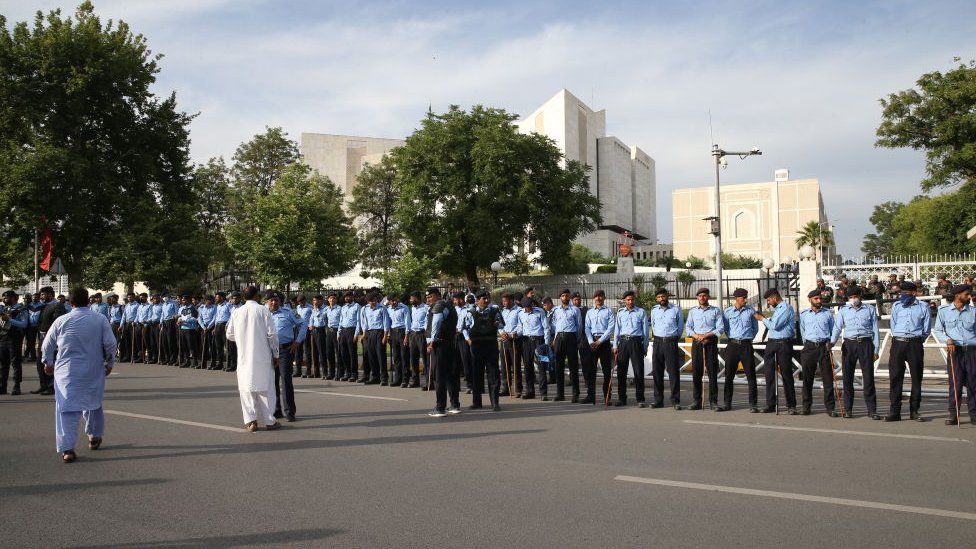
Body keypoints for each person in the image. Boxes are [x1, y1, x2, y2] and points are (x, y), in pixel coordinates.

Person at [41, 287, 117, 463]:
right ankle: (94, 436)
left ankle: (67, 449)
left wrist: (48, 363)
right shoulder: (100, 319)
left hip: (66, 372)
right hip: (93, 369)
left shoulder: (62, 320)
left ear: (70, 302)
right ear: (88, 300)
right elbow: (111, 344)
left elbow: (47, 345)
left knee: (66, 409)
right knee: (93, 402)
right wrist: (109, 363)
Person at [226, 286, 280, 432]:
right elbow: (272, 335)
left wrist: (243, 338)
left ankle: (251, 421)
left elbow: (229, 334)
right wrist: (276, 354)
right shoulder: (263, 310)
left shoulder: (237, 312)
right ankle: (270, 421)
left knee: (246, 389)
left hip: (244, 358)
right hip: (262, 356)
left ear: (244, 297)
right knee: (266, 389)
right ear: (257, 295)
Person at [830, 287, 881, 419]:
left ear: (860, 297)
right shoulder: (843, 310)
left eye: (855, 296)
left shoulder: (869, 309)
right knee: (847, 378)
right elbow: (837, 327)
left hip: (865, 343)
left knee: (868, 377)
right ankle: (848, 409)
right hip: (849, 344)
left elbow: (875, 330)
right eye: (851, 297)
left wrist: (876, 349)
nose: (853, 299)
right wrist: (831, 342)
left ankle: (872, 410)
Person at [885, 281, 930, 422]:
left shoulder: (923, 307)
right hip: (898, 343)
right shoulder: (897, 306)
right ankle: (895, 411)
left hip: (915, 344)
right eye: (901, 292)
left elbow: (926, 329)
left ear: (914, 293)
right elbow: (893, 325)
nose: (903, 295)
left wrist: (916, 340)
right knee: (895, 377)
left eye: (906, 292)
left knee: (916, 377)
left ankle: (914, 410)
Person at [933, 284, 976, 425]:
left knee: (973, 383)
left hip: (971, 351)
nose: (969, 297)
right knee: (955, 383)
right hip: (955, 351)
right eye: (966, 294)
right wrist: (947, 340)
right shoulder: (944, 311)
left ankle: (974, 414)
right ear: (958, 295)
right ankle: (953, 414)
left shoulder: (973, 311)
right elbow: (939, 330)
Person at [755, 288, 797, 414]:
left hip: (783, 343)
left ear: (774, 298)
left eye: (769, 300)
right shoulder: (777, 310)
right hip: (772, 342)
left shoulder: (786, 308)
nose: (768, 302)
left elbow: (774, 326)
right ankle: (771, 403)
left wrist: (762, 318)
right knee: (769, 374)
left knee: (786, 374)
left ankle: (791, 405)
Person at [267, 291, 305, 422]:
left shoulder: (289, 312)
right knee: (272, 381)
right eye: (271, 300)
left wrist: (297, 341)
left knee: (286, 381)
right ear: (267, 301)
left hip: (285, 350)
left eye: (276, 300)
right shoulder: (263, 313)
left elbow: (303, 324)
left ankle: (289, 411)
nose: (274, 302)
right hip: (269, 351)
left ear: (280, 301)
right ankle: (276, 410)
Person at [798, 289, 837, 416]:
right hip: (809, 347)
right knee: (807, 379)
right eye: (816, 299)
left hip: (824, 347)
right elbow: (802, 330)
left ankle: (830, 407)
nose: (819, 301)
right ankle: (806, 406)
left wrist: (830, 343)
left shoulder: (828, 314)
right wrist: (807, 343)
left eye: (820, 298)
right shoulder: (804, 314)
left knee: (828, 379)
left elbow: (833, 330)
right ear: (810, 300)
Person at [685, 288, 724, 410]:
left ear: (708, 297)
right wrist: (697, 336)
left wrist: (707, 335)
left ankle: (713, 401)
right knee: (697, 372)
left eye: (704, 296)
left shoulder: (715, 311)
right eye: (700, 296)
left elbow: (720, 328)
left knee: (712, 372)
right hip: (697, 342)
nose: (702, 298)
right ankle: (697, 400)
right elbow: (688, 328)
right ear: (697, 297)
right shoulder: (692, 312)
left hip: (710, 342)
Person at [721, 288, 759, 412]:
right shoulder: (727, 312)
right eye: (743, 298)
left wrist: (747, 339)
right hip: (733, 345)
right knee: (729, 376)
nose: (745, 300)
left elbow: (755, 328)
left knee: (751, 376)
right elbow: (725, 328)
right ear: (736, 299)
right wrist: (734, 339)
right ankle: (727, 403)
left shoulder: (750, 311)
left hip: (746, 345)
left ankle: (753, 404)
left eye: (746, 297)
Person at [466, 290, 503, 410]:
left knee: (493, 374)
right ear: (477, 300)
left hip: (491, 345)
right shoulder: (470, 312)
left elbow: (500, 326)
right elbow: (464, 328)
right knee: (476, 374)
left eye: (487, 298)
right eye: (483, 298)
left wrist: (502, 333)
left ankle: (495, 402)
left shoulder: (495, 311)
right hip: (476, 346)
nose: (487, 300)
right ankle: (477, 402)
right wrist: (468, 339)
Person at [426, 288, 460, 417]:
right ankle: (455, 405)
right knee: (451, 375)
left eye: (430, 296)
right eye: (427, 297)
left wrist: (431, 342)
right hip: (450, 343)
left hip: (440, 344)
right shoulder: (449, 306)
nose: (428, 299)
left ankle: (440, 407)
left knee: (439, 376)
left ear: (438, 296)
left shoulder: (439, 306)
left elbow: (436, 323)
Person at [612, 290, 649, 407]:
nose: (630, 301)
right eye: (628, 300)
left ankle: (640, 399)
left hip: (636, 342)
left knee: (638, 371)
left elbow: (645, 332)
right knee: (621, 372)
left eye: (632, 299)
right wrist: (615, 345)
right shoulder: (620, 312)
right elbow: (617, 329)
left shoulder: (641, 312)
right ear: (624, 301)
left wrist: (645, 346)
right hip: (623, 342)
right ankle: (622, 398)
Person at [550, 289, 584, 402]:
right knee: (558, 367)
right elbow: (554, 325)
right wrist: (555, 338)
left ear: (569, 297)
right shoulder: (556, 310)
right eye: (563, 296)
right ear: (560, 297)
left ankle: (575, 394)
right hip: (559, 338)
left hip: (571, 338)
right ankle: (560, 394)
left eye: (567, 295)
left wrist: (575, 338)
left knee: (573, 367)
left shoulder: (575, 310)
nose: (565, 297)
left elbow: (579, 326)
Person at [515, 296, 550, 400]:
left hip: (539, 342)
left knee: (542, 366)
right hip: (526, 342)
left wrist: (546, 344)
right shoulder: (520, 313)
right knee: (527, 366)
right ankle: (530, 391)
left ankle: (544, 393)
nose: (527, 309)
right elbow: (520, 327)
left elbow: (546, 327)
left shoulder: (540, 312)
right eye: (525, 307)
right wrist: (516, 333)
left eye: (529, 307)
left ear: (532, 305)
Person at [586, 289, 615, 406]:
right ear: (593, 298)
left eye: (600, 296)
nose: (598, 298)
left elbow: (611, 328)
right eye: (596, 296)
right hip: (592, 342)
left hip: (604, 343)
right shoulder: (589, 312)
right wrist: (590, 341)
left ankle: (607, 396)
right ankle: (591, 396)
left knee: (607, 371)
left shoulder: (609, 311)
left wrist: (600, 341)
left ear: (604, 297)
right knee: (591, 371)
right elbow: (587, 327)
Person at [33, 287, 64, 395]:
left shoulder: (57, 305)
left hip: (52, 338)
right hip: (41, 337)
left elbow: (57, 322)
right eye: (41, 295)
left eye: (43, 295)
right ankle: (43, 385)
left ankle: (51, 387)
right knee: (39, 362)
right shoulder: (42, 306)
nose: (41, 297)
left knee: (50, 361)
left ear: (50, 295)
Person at [356, 292, 390, 385]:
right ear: (367, 301)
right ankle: (375, 377)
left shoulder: (382, 308)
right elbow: (364, 323)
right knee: (371, 356)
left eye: (374, 300)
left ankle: (384, 378)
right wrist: (364, 334)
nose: (373, 302)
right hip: (369, 334)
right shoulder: (364, 309)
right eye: (371, 301)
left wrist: (385, 336)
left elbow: (386, 322)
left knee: (380, 356)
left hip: (379, 333)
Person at [0, 291, 28, 395]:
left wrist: (10, 320)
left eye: (6, 298)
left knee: (15, 363)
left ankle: (17, 386)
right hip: (3, 337)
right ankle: (3, 386)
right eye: (3, 298)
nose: (4, 300)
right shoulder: (4, 308)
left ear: (14, 298)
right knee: (3, 363)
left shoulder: (21, 309)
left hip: (15, 338)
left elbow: (24, 324)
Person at [499, 292, 522, 397]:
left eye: (506, 301)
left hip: (514, 340)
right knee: (504, 365)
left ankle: (518, 389)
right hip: (504, 339)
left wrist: (514, 333)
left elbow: (521, 325)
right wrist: (502, 332)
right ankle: (506, 387)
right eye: (503, 301)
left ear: (512, 300)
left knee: (515, 364)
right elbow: (499, 324)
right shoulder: (503, 311)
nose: (504, 303)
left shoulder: (519, 311)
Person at [386, 293, 411, 387]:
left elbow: (407, 322)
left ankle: (405, 379)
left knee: (404, 356)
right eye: (392, 301)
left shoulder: (404, 308)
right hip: (393, 332)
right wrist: (388, 334)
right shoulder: (388, 309)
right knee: (396, 357)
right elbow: (388, 322)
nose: (394, 302)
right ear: (389, 302)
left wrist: (406, 336)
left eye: (395, 300)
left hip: (402, 331)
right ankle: (397, 379)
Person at [407, 291, 430, 389]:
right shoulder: (413, 308)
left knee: (425, 359)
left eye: (412, 298)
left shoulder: (426, 308)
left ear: (417, 298)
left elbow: (427, 322)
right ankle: (415, 380)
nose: (411, 300)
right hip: (413, 334)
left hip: (421, 334)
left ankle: (428, 382)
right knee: (413, 358)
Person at [338, 292, 360, 382]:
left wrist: (356, 334)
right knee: (344, 353)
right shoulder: (343, 307)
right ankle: (347, 373)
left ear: (352, 297)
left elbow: (359, 321)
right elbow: (341, 320)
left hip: (352, 330)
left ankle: (354, 374)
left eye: (348, 297)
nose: (347, 298)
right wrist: (338, 333)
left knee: (352, 353)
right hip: (343, 330)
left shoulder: (357, 306)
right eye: (345, 297)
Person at [321, 293, 342, 380]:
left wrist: (339, 332)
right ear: (328, 300)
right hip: (329, 331)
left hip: (337, 330)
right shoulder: (326, 309)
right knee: (329, 353)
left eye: (333, 298)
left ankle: (339, 373)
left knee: (338, 353)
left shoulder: (339, 309)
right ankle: (331, 373)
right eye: (330, 298)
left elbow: (341, 320)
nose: (332, 300)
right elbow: (324, 319)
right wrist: (327, 327)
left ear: (336, 300)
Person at [294, 295, 313, 378]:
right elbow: (296, 317)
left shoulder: (310, 308)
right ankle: (298, 370)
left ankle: (308, 371)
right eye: (299, 302)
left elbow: (313, 318)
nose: (300, 303)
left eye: (301, 301)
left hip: (306, 330)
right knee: (298, 351)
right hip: (298, 330)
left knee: (307, 351)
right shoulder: (298, 307)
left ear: (305, 300)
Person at [198, 295, 217, 370]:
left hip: (211, 328)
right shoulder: (201, 308)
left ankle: (213, 363)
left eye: (209, 300)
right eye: (206, 300)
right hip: (203, 328)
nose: (208, 302)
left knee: (212, 346)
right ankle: (203, 363)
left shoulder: (214, 307)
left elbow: (215, 318)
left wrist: (208, 327)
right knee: (203, 346)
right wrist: (203, 326)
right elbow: (199, 318)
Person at [213, 292, 231, 371]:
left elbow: (232, 316)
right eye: (216, 297)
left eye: (217, 297)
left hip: (225, 326)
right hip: (218, 326)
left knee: (227, 346)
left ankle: (229, 364)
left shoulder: (228, 305)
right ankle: (220, 363)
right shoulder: (218, 306)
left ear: (222, 298)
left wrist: (227, 325)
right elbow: (217, 317)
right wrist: (214, 327)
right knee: (218, 346)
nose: (216, 299)